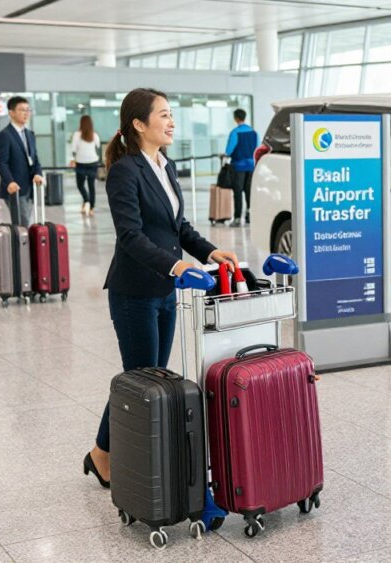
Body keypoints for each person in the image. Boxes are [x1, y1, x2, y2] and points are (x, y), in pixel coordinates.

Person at [83, 88, 239, 488]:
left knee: (149, 376)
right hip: (134, 292)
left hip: (166, 291)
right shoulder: (125, 171)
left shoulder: (165, 166)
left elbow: (178, 228)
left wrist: (209, 251)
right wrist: (175, 265)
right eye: (164, 115)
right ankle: (103, 453)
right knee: (139, 377)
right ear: (139, 123)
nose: (172, 122)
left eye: (172, 115)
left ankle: (107, 451)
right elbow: (131, 236)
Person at [0, 96, 44, 227]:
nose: (26, 113)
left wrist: (38, 173)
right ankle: (22, 247)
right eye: (22, 110)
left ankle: (25, 247)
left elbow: (35, 159)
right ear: (11, 113)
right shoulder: (5, 135)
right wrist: (10, 181)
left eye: (28, 110)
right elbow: (2, 162)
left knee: (25, 223)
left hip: (30, 187)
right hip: (15, 188)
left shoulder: (29, 134)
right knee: (22, 225)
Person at [224, 108, 258, 227]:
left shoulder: (235, 132)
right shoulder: (253, 132)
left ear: (236, 118)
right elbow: (257, 148)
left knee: (238, 192)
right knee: (249, 192)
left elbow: (229, 150)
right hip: (251, 166)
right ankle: (251, 216)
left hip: (238, 166)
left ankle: (238, 218)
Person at [70, 115, 102, 215]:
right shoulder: (94, 135)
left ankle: (86, 200)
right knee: (91, 185)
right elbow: (98, 146)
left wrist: (73, 159)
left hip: (81, 163)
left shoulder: (76, 135)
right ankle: (91, 207)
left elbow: (73, 149)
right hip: (93, 162)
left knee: (80, 185)